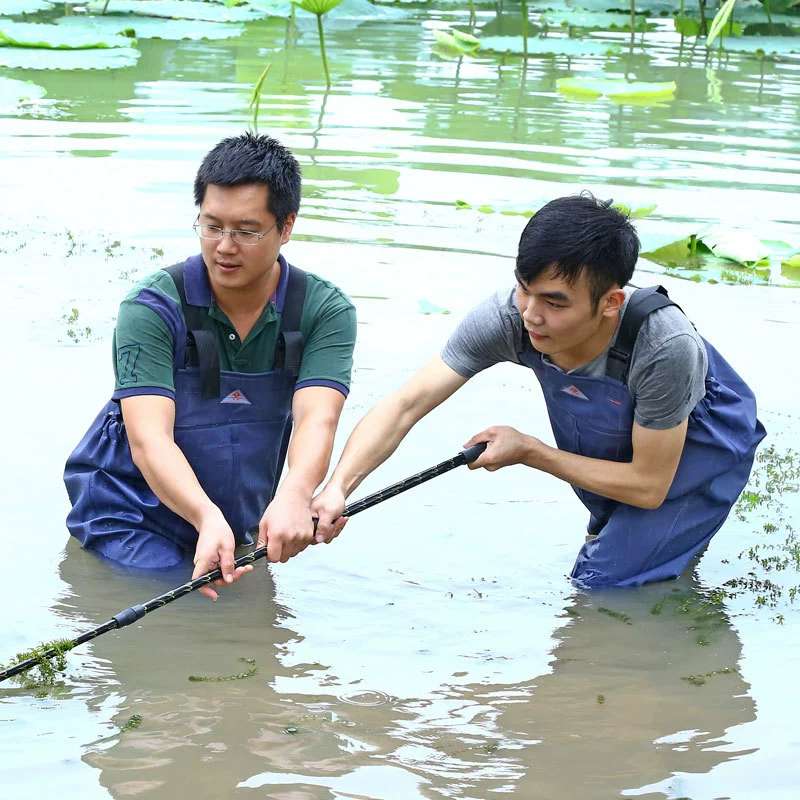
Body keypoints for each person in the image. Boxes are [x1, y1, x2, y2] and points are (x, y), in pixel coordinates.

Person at [312, 193, 765, 589]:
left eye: (554, 302)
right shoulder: (511, 317)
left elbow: (648, 486)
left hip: (701, 441)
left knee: (602, 581)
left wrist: (529, 451)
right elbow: (405, 404)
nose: (531, 315)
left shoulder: (664, 346)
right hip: (627, 438)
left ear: (611, 302)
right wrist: (337, 489)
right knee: (620, 547)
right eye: (525, 289)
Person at [64, 132, 357, 597]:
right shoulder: (151, 308)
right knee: (181, 616)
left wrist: (295, 497)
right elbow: (147, 438)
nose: (224, 246)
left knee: (246, 630)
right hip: (131, 514)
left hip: (236, 521)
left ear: (286, 227)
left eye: (245, 230)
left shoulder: (323, 311)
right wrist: (204, 516)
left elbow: (317, 419)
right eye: (211, 225)